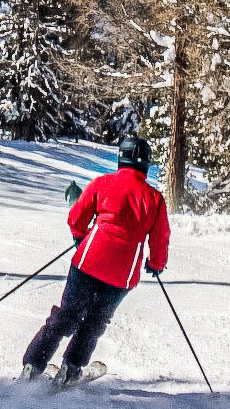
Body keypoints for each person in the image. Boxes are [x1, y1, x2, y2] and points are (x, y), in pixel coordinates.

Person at [19, 136, 169, 386]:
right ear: (146, 164)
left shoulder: (102, 183)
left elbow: (76, 217)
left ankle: (33, 365)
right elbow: (160, 239)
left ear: (122, 158)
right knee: (95, 321)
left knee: (67, 314)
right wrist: (156, 264)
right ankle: (71, 369)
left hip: (87, 262)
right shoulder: (154, 199)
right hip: (122, 274)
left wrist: (81, 238)